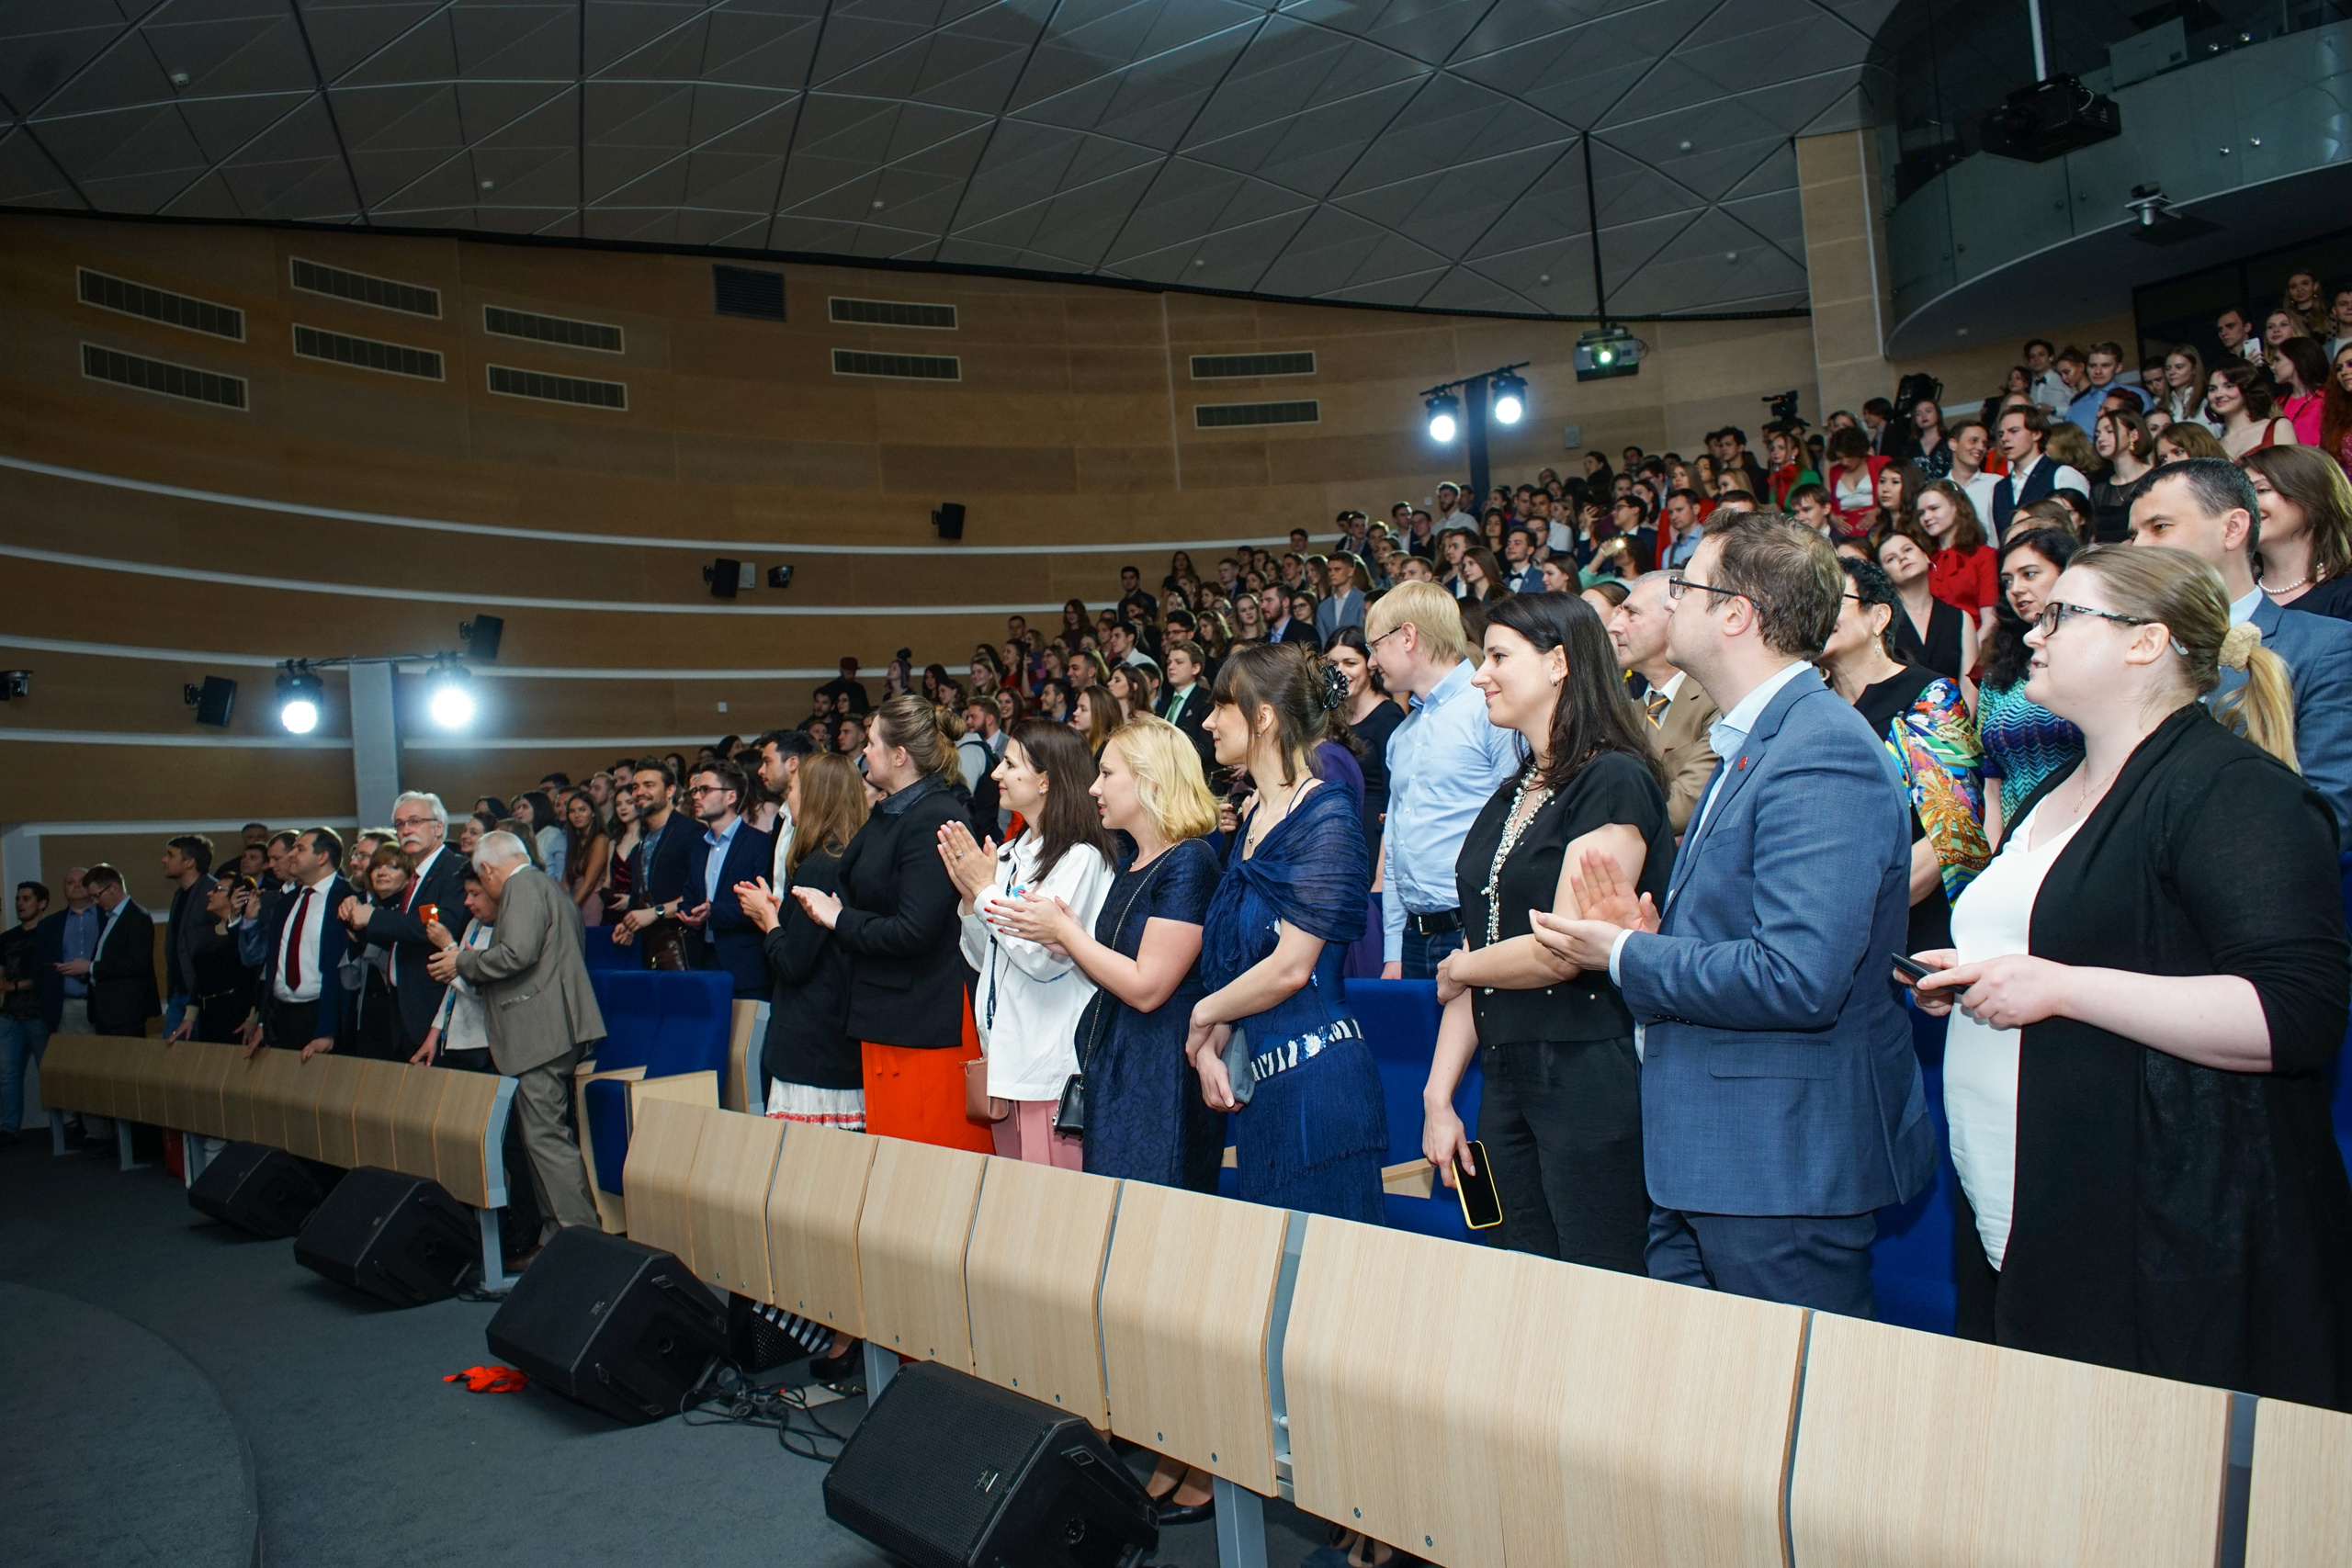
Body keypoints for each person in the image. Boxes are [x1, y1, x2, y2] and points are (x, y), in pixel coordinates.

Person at [1907, 544, 2352, 1411]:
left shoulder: (2231, 790)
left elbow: (2293, 1014)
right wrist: (1979, 976)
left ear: (2146, 643)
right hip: (2024, 1210)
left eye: (2065, 615)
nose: (2033, 629)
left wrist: (2061, 987)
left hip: (2163, 1230)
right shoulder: (2058, 790)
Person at [1528, 511, 1937, 1315]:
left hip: (1780, 1164)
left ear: (1736, 613)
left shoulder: (1819, 747)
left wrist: (1624, 955)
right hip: (1721, 1158)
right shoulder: (1760, 738)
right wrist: (1650, 940)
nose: (1666, 604)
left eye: (1683, 587)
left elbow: (1797, 976)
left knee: (1796, 1422)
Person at [1420, 592, 1671, 1271]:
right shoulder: (1512, 791)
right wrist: (1438, 1094)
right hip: (1505, 1073)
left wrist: (1461, 971)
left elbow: (1561, 948)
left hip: (1586, 1072)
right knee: (1518, 1277)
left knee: (1598, 1283)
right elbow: (1480, 944)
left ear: (1559, 661)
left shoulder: (1612, 779)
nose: (1481, 674)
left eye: (1499, 655)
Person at [1190, 643, 1381, 1221]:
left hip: (1319, 1089)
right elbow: (1239, 961)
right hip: (1263, 1090)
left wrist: (1203, 1016)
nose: (1208, 720)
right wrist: (1216, 1038)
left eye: (1222, 705)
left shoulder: (1327, 810)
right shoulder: (1251, 816)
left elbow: (1292, 967)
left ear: (1264, 716)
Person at [793, 694, 993, 1154]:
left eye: (872, 743)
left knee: (928, 1171)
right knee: (894, 1168)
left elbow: (913, 930)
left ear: (900, 755)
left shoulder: (935, 817)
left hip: (924, 1018)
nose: (864, 752)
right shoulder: (893, 810)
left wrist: (839, 918)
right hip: (891, 1011)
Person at [2129, 457, 2352, 849]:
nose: (2140, 546)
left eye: (2160, 527)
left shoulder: (2326, 647)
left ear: (2232, 529)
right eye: (2136, 533)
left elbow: (2330, 810)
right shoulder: (2125, 651)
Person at [940, 721, 1114, 1168]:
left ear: (1045, 781)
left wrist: (985, 893)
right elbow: (982, 958)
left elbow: (1042, 960)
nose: (996, 774)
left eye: (1010, 764)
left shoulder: (1081, 858)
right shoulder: (1007, 853)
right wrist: (971, 899)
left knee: (1053, 1214)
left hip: (1049, 1066)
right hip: (1003, 1060)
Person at [430, 831, 605, 1251]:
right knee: (541, 1136)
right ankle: (558, 1234)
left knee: (545, 1138)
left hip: (539, 1031)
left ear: (488, 870)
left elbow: (515, 954)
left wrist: (461, 960)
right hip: (551, 1028)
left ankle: (580, 1239)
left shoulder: (522, 885)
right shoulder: (547, 885)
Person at [1819, 558, 1990, 954]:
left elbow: (1951, 832)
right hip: (1829, 928)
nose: (1818, 613)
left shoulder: (1928, 696)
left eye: (1833, 600)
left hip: (1913, 931)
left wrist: (1849, 912)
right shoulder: (1814, 708)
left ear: (1878, 615)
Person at [1363, 581, 1522, 978]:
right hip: (1416, 939)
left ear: (1407, 636)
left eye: (1374, 645)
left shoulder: (1489, 709)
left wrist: (1485, 931)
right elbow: (1397, 845)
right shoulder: (1403, 735)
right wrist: (1394, 951)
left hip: (1479, 931)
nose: (1370, 662)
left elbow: (1520, 826)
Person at [735, 751, 869, 1141]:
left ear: (815, 797)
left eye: (792, 788)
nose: (784, 802)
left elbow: (793, 963)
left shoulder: (819, 864)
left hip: (813, 1046)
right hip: (839, 1040)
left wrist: (768, 919)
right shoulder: (850, 858)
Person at [1976, 526, 2086, 849]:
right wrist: (1996, 850)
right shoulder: (1999, 667)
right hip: (2016, 837)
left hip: (2082, 831)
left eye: (2030, 574)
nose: (2016, 589)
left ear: (2067, 574)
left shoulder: (2093, 656)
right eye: (2008, 581)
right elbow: (1992, 777)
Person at [236, 828, 356, 1060]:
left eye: (300, 849)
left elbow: (344, 970)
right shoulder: (287, 902)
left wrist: (327, 1030)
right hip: (280, 1016)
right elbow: (273, 964)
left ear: (322, 857)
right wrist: (263, 1022)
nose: (292, 855)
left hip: (322, 1016)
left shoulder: (348, 897)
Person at [1324, 626, 1402, 868]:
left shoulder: (1388, 717)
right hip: (1340, 837)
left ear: (1370, 665)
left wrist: (1382, 873)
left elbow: (1395, 798)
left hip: (1374, 838)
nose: (1340, 672)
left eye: (1350, 662)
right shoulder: (1330, 717)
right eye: (1333, 663)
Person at [2245, 445, 2352, 619]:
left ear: (2312, 498)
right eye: (2240, 496)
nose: (2245, 505)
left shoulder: (2346, 593)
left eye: (2262, 490)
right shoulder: (2234, 597)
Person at [611, 760, 695, 965]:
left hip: (688, 950)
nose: (640, 792)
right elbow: (643, 897)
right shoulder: (639, 847)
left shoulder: (691, 834)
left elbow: (700, 896)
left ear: (670, 791)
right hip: (651, 950)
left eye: (649, 785)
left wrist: (656, 912)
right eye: (635, 787)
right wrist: (630, 924)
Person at [1877, 527, 1977, 683]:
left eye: (1908, 549)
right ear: (1885, 576)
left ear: (1926, 556)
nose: (1902, 558)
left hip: (1957, 706)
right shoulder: (1881, 623)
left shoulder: (1960, 618)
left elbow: (1970, 684)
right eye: (1891, 559)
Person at [1917, 479, 1999, 642]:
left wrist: (1970, 659)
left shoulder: (1984, 556)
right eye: (1921, 513)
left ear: (1957, 506)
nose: (1926, 517)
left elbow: (1991, 621)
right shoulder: (1925, 561)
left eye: (1934, 508)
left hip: (1976, 648)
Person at [1990, 403, 2088, 539]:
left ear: (2036, 434)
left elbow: (2081, 530)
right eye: (2001, 434)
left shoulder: (2062, 474)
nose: (2004, 439)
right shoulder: (1999, 488)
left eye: (2014, 431)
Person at [155, 834, 216, 1043]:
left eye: (170, 855)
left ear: (189, 861)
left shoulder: (211, 893)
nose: (164, 860)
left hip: (201, 995)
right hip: (179, 992)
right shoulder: (180, 894)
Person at [0, 882, 49, 1141]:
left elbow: (47, 974)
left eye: (27, 898)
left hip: (39, 1012)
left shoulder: (49, 933)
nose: (20, 903)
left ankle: (66, 1125)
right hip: (9, 1013)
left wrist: (16, 984)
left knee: (50, 1071)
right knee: (7, 1074)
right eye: (18, 898)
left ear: (41, 904)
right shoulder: (6, 938)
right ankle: (9, 1128)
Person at [2087, 407, 2157, 543]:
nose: (2100, 439)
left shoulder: (2155, 478)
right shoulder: (2099, 489)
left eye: (2110, 431)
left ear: (2133, 435)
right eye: (2097, 434)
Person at [2207, 361, 2299, 459]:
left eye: (2229, 386)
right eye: (2212, 389)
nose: (2218, 395)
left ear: (2247, 388)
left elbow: (2292, 472)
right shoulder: (2212, 446)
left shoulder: (2277, 427)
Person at [561, 791, 611, 922]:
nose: (577, 815)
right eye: (572, 811)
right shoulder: (575, 842)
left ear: (593, 813)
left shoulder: (600, 840)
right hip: (576, 901)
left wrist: (567, 909)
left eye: (582, 810)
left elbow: (589, 883)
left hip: (592, 902)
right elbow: (565, 883)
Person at [2270, 336, 2328, 446]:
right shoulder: (2278, 402)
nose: (2272, 367)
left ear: (2296, 360)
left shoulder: (2328, 398)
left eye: (2277, 360)